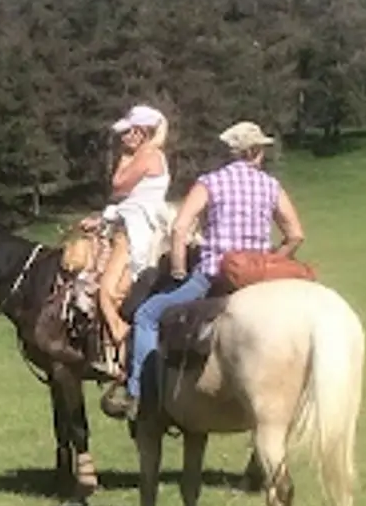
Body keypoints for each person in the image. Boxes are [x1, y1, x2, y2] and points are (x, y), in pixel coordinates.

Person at [102, 121, 306, 421]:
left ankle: (140, 395)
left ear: (232, 152)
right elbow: (296, 234)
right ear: (254, 153)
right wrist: (274, 259)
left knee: (147, 315)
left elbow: (181, 227)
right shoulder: (271, 186)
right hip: (257, 276)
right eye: (260, 149)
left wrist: (178, 268)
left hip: (213, 275)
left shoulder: (210, 183)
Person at [80, 105, 171, 374]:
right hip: (130, 223)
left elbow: (119, 185)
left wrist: (123, 162)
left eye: (129, 132)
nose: (124, 139)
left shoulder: (147, 155)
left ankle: (122, 347)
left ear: (143, 132)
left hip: (135, 232)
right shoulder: (147, 153)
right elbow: (127, 199)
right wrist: (103, 218)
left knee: (107, 291)